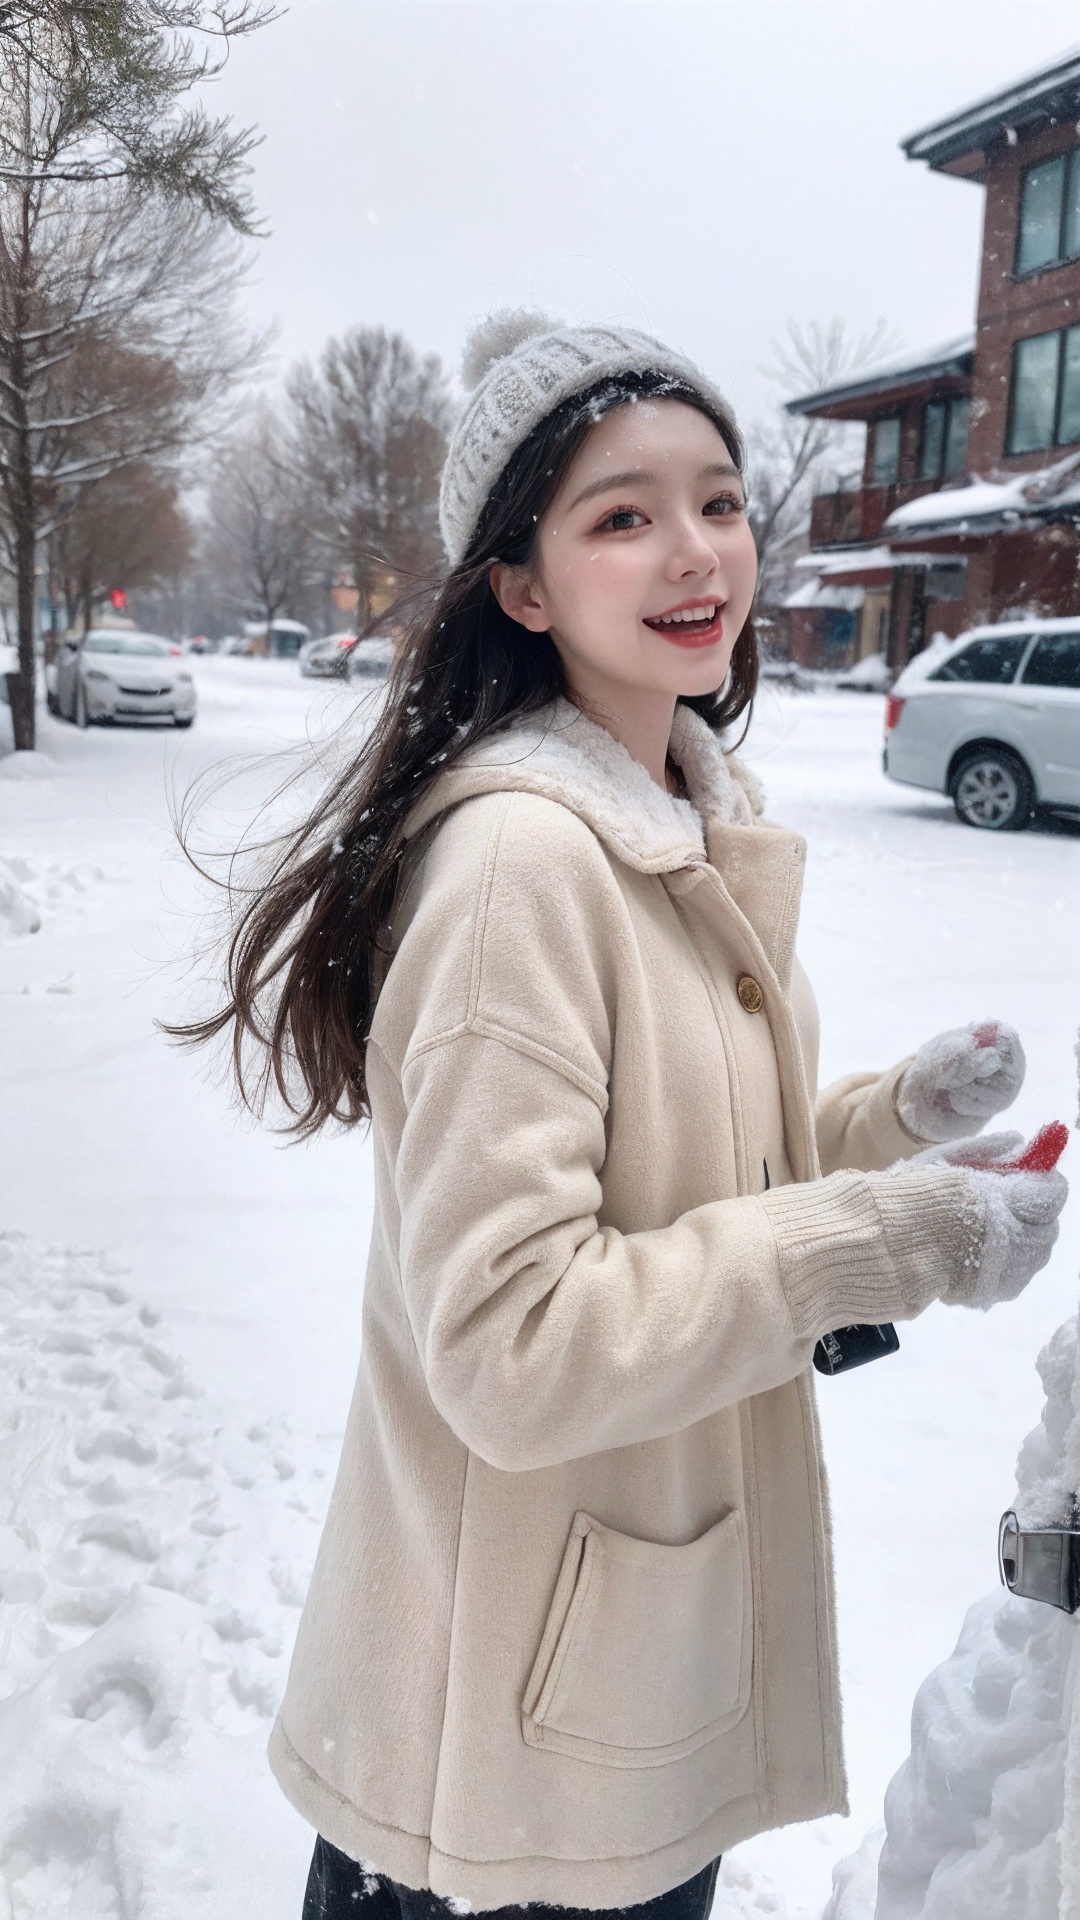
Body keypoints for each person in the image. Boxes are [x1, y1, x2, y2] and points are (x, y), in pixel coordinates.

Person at [183, 315, 1067, 1920]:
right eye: (621, 513)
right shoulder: (525, 867)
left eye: (719, 500)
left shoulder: (671, 820)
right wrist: (898, 1238)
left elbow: (690, 1182)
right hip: (496, 1771)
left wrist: (887, 1123)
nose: (696, 549)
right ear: (522, 589)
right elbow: (517, 1344)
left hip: (608, 1689)